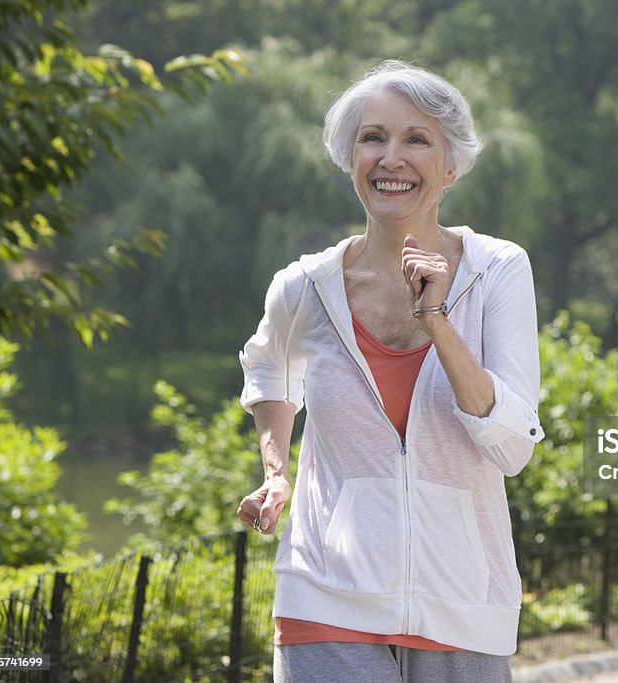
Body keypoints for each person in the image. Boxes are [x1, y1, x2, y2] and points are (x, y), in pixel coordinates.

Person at [235, 60, 544, 683]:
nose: (390, 157)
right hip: (326, 594)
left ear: (451, 166)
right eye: (372, 138)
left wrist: (437, 317)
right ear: (351, 157)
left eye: (416, 139)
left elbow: (512, 448)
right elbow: (268, 371)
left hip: (462, 602)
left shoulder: (497, 271)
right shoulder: (305, 287)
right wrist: (276, 472)